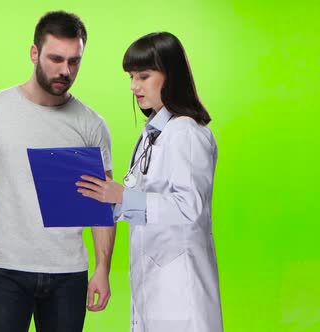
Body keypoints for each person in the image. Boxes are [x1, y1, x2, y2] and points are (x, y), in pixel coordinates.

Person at [0, 11, 115, 332]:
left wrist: (102, 268)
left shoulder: (92, 125)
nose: (65, 70)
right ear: (34, 53)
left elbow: (101, 203)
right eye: (56, 59)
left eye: (74, 61)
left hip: (69, 272)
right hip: (5, 269)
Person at [76, 32, 223, 331]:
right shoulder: (152, 133)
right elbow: (142, 204)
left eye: (143, 76)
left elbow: (189, 209)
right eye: (131, 77)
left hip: (181, 294)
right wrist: (100, 200)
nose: (134, 87)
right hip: (152, 287)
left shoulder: (186, 133)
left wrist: (121, 198)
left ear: (172, 76)